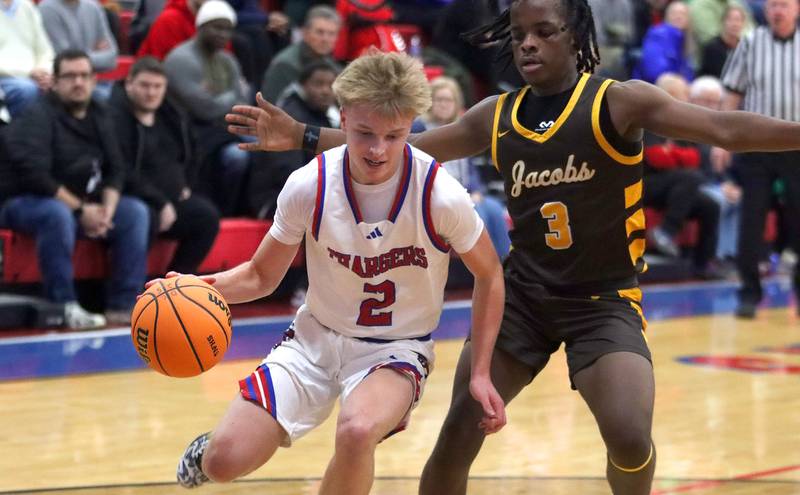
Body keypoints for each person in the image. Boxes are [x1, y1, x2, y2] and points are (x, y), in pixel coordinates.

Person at [226, 1, 800, 493]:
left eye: (543, 31)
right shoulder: (497, 116)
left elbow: (725, 129)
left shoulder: (621, 102)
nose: (527, 43)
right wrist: (301, 136)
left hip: (602, 301)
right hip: (523, 298)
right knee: (460, 426)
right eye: (519, 33)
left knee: (628, 434)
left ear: (575, 35)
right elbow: (402, 146)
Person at [170, 51, 507, 493]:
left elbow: (491, 275)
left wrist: (481, 371)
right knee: (224, 462)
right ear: (343, 118)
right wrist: (189, 289)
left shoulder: (440, 194)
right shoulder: (310, 184)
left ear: (411, 126)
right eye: (365, 133)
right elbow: (260, 276)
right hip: (314, 338)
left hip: (395, 349)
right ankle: (210, 448)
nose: (377, 150)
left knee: (356, 431)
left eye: (394, 135)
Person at [1, 49, 150, 328]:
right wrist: (82, 210)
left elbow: (117, 169)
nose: (78, 82)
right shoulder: (38, 115)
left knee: (135, 213)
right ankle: (63, 304)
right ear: (55, 81)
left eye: (84, 75)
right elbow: (35, 176)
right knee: (56, 214)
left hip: (81, 204)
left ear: (95, 80)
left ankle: (124, 305)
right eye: (70, 76)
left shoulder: (102, 113)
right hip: (24, 201)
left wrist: (106, 212)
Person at [716, 0, 800, 318]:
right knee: (751, 220)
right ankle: (749, 294)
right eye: (773, 5)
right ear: (766, 10)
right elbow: (732, 93)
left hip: (796, 146)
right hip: (757, 146)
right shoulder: (751, 43)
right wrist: (720, 141)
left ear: (797, 9)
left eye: (785, 5)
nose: (778, 10)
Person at [108, 56, 221, 275]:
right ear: (129, 83)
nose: (151, 93)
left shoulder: (172, 113)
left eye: (157, 86)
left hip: (170, 199)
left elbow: (192, 152)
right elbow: (120, 169)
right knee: (140, 216)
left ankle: (172, 285)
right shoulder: (113, 116)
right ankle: (124, 297)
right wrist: (160, 202)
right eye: (145, 86)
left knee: (206, 216)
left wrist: (185, 185)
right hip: (133, 198)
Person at [164, 0, 251, 215]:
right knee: (237, 156)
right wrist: (231, 94)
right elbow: (204, 108)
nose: (223, 34)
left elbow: (242, 103)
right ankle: (224, 210)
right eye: (217, 27)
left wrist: (221, 97)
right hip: (191, 131)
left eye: (228, 29)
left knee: (271, 146)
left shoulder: (228, 59)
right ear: (200, 27)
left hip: (225, 127)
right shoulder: (181, 59)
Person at [416, 76, 511, 259]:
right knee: (478, 212)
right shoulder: (421, 127)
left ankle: (505, 264)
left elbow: (470, 169)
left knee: (494, 208)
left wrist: (476, 191)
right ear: (430, 102)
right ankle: (483, 268)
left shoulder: (458, 128)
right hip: (436, 194)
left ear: (456, 103)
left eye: (448, 100)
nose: (444, 104)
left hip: (464, 191)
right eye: (439, 100)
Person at [260, 5, 341, 104]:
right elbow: (271, 105)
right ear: (305, 33)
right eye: (320, 32)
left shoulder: (331, 66)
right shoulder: (285, 65)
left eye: (331, 34)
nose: (325, 39)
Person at [0, 0, 55, 117]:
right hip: (6, 79)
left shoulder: (27, 6)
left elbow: (45, 50)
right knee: (27, 90)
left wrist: (44, 72)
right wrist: (29, 72)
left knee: (63, 88)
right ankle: (14, 134)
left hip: (32, 76)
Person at [39, 0, 118, 74]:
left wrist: (79, 56)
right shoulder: (47, 9)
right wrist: (95, 54)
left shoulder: (93, 6)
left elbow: (111, 58)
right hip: (66, 82)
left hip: (99, 80)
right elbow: (64, 60)